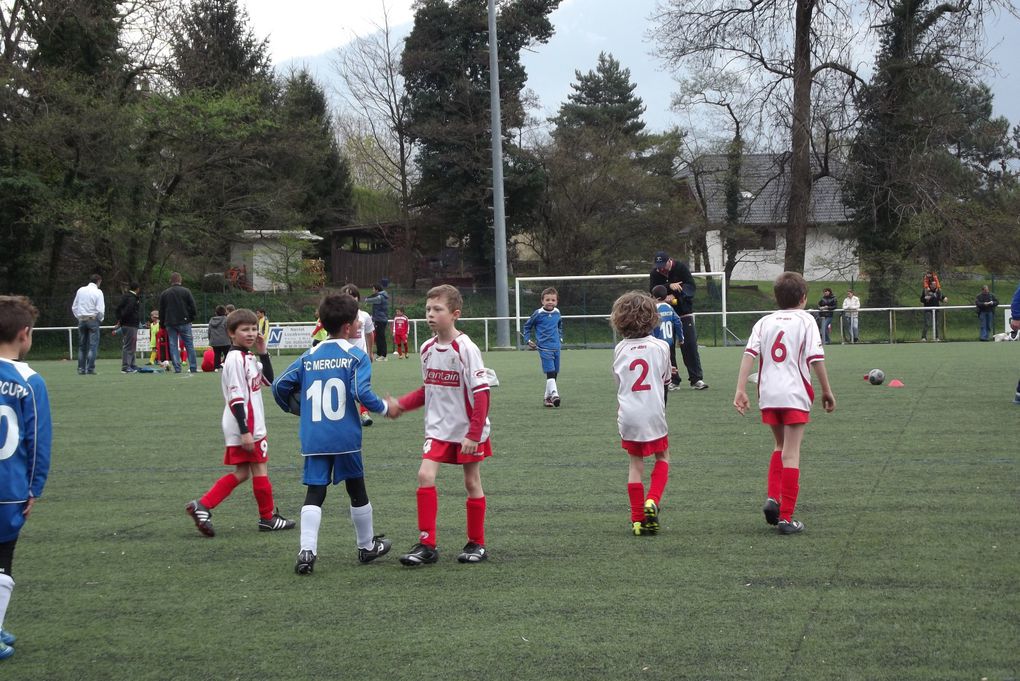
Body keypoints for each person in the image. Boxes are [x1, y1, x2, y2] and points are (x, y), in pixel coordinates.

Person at [271, 294, 393, 574]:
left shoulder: (309, 356)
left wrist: (296, 409)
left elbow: (279, 386)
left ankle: (307, 551)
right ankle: (366, 546)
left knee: (315, 491)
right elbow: (361, 392)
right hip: (344, 436)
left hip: (314, 436)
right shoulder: (356, 356)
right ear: (350, 327)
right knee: (356, 488)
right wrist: (384, 407)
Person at [390, 284, 493, 566]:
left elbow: (482, 394)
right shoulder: (425, 349)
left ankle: (477, 543)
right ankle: (427, 545)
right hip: (437, 429)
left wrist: (474, 433)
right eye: (428, 309)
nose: (430, 314)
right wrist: (401, 404)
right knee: (425, 475)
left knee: (471, 482)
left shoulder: (466, 348)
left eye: (438, 309)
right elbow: (428, 390)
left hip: (466, 431)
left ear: (455, 314)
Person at [733, 272, 836, 535]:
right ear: (803, 298)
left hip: (768, 394)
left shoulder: (764, 322)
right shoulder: (806, 321)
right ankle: (786, 518)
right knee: (792, 452)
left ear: (776, 298)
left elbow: (749, 354)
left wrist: (740, 389)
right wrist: (826, 390)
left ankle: (773, 498)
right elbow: (815, 358)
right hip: (794, 394)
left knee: (779, 446)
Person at [185, 309, 295, 537]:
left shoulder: (247, 356)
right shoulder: (235, 359)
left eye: (254, 329)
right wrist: (246, 431)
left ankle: (203, 505)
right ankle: (267, 518)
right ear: (231, 334)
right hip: (247, 424)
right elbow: (236, 398)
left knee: (243, 472)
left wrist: (263, 353)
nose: (251, 333)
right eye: (245, 330)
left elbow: (268, 381)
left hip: (248, 424)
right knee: (259, 468)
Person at [0, 296, 53, 660]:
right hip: (9, 488)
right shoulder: (29, 381)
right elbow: (37, 443)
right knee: (3, 560)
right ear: (25, 334)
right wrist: (33, 488)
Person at [610, 291, 672, 537]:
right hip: (653, 412)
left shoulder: (620, 349)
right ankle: (652, 501)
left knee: (635, 465)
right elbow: (666, 379)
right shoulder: (661, 347)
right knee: (663, 457)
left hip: (628, 415)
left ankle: (636, 520)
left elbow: (619, 381)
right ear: (652, 318)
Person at [649, 251, 707, 389]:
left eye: (663, 265)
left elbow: (691, 287)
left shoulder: (681, 268)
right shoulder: (655, 273)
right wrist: (668, 288)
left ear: (670, 261)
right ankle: (673, 380)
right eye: (659, 266)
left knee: (689, 345)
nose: (661, 269)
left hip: (683, 313)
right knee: (667, 347)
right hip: (664, 316)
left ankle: (696, 379)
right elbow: (653, 290)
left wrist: (676, 296)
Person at [522, 287, 564, 407]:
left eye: (553, 300)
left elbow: (560, 325)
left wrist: (560, 337)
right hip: (544, 348)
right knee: (550, 372)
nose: (550, 302)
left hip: (556, 347)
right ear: (542, 301)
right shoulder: (538, 314)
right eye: (547, 300)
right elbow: (527, 327)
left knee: (555, 373)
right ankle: (555, 394)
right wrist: (528, 340)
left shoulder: (557, 312)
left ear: (556, 301)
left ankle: (547, 398)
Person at [341, 284, 376, 426]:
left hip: (360, 357)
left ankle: (364, 413)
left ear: (358, 298)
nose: (350, 298)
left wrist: (370, 351)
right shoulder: (338, 316)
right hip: (342, 356)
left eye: (353, 295)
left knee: (361, 386)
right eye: (346, 295)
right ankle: (343, 416)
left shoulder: (364, 316)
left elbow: (369, 333)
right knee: (344, 387)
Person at [158, 272, 198, 373]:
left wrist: (162, 324)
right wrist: (191, 318)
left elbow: (161, 310)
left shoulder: (165, 293)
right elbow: (192, 306)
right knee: (189, 344)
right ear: (180, 280)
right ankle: (193, 367)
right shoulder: (186, 291)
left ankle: (177, 368)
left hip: (170, 322)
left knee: (173, 345)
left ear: (170, 281)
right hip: (184, 321)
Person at [650, 285, 684, 397]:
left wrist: (651, 338)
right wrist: (681, 338)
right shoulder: (670, 308)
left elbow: (652, 326)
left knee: (659, 362)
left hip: (658, 342)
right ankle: (674, 381)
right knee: (670, 361)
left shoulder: (655, 310)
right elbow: (678, 322)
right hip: (669, 341)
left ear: (654, 297)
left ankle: (664, 381)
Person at [71, 273, 105, 375]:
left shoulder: (80, 290)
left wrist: (79, 317)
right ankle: (90, 368)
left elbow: (74, 306)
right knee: (92, 346)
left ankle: (81, 369)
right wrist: (100, 319)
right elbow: (100, 309)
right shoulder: (98, 292)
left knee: (82, 346)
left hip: (82, 320)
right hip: (93, 319)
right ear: (98, 281)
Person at [114, 282, 142, 374]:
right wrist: (122, 320)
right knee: (129, 346)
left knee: (131, 345)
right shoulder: (132, 298)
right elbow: (128, 310)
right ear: (137, 289)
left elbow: (118, 308)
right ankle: (126, 366)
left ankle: (132, 364)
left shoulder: (125, 296)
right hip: (130, 324)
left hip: (126, 324)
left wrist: (119, 320)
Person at [365, 282, 390, 361]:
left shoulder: (380, 297)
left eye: (373, 289)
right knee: (378, 337)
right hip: (379, 319)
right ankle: (379, 354)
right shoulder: (382, 296)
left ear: (377, 289)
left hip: (380, 319)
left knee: (381, 337)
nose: (372, 290)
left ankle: (383, 355)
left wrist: (367, 299)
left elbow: (368, 300)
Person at [207, 305, 230, 370]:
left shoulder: (211, 320)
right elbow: (228, 330)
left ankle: (216, 367)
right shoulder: (226, 319)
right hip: (225, 341)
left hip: (214, 341)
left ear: (216, 312)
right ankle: (227, 366)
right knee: (228, 354)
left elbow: (209, 331)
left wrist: (210, 339)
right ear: (225, 312)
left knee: (217, 354)